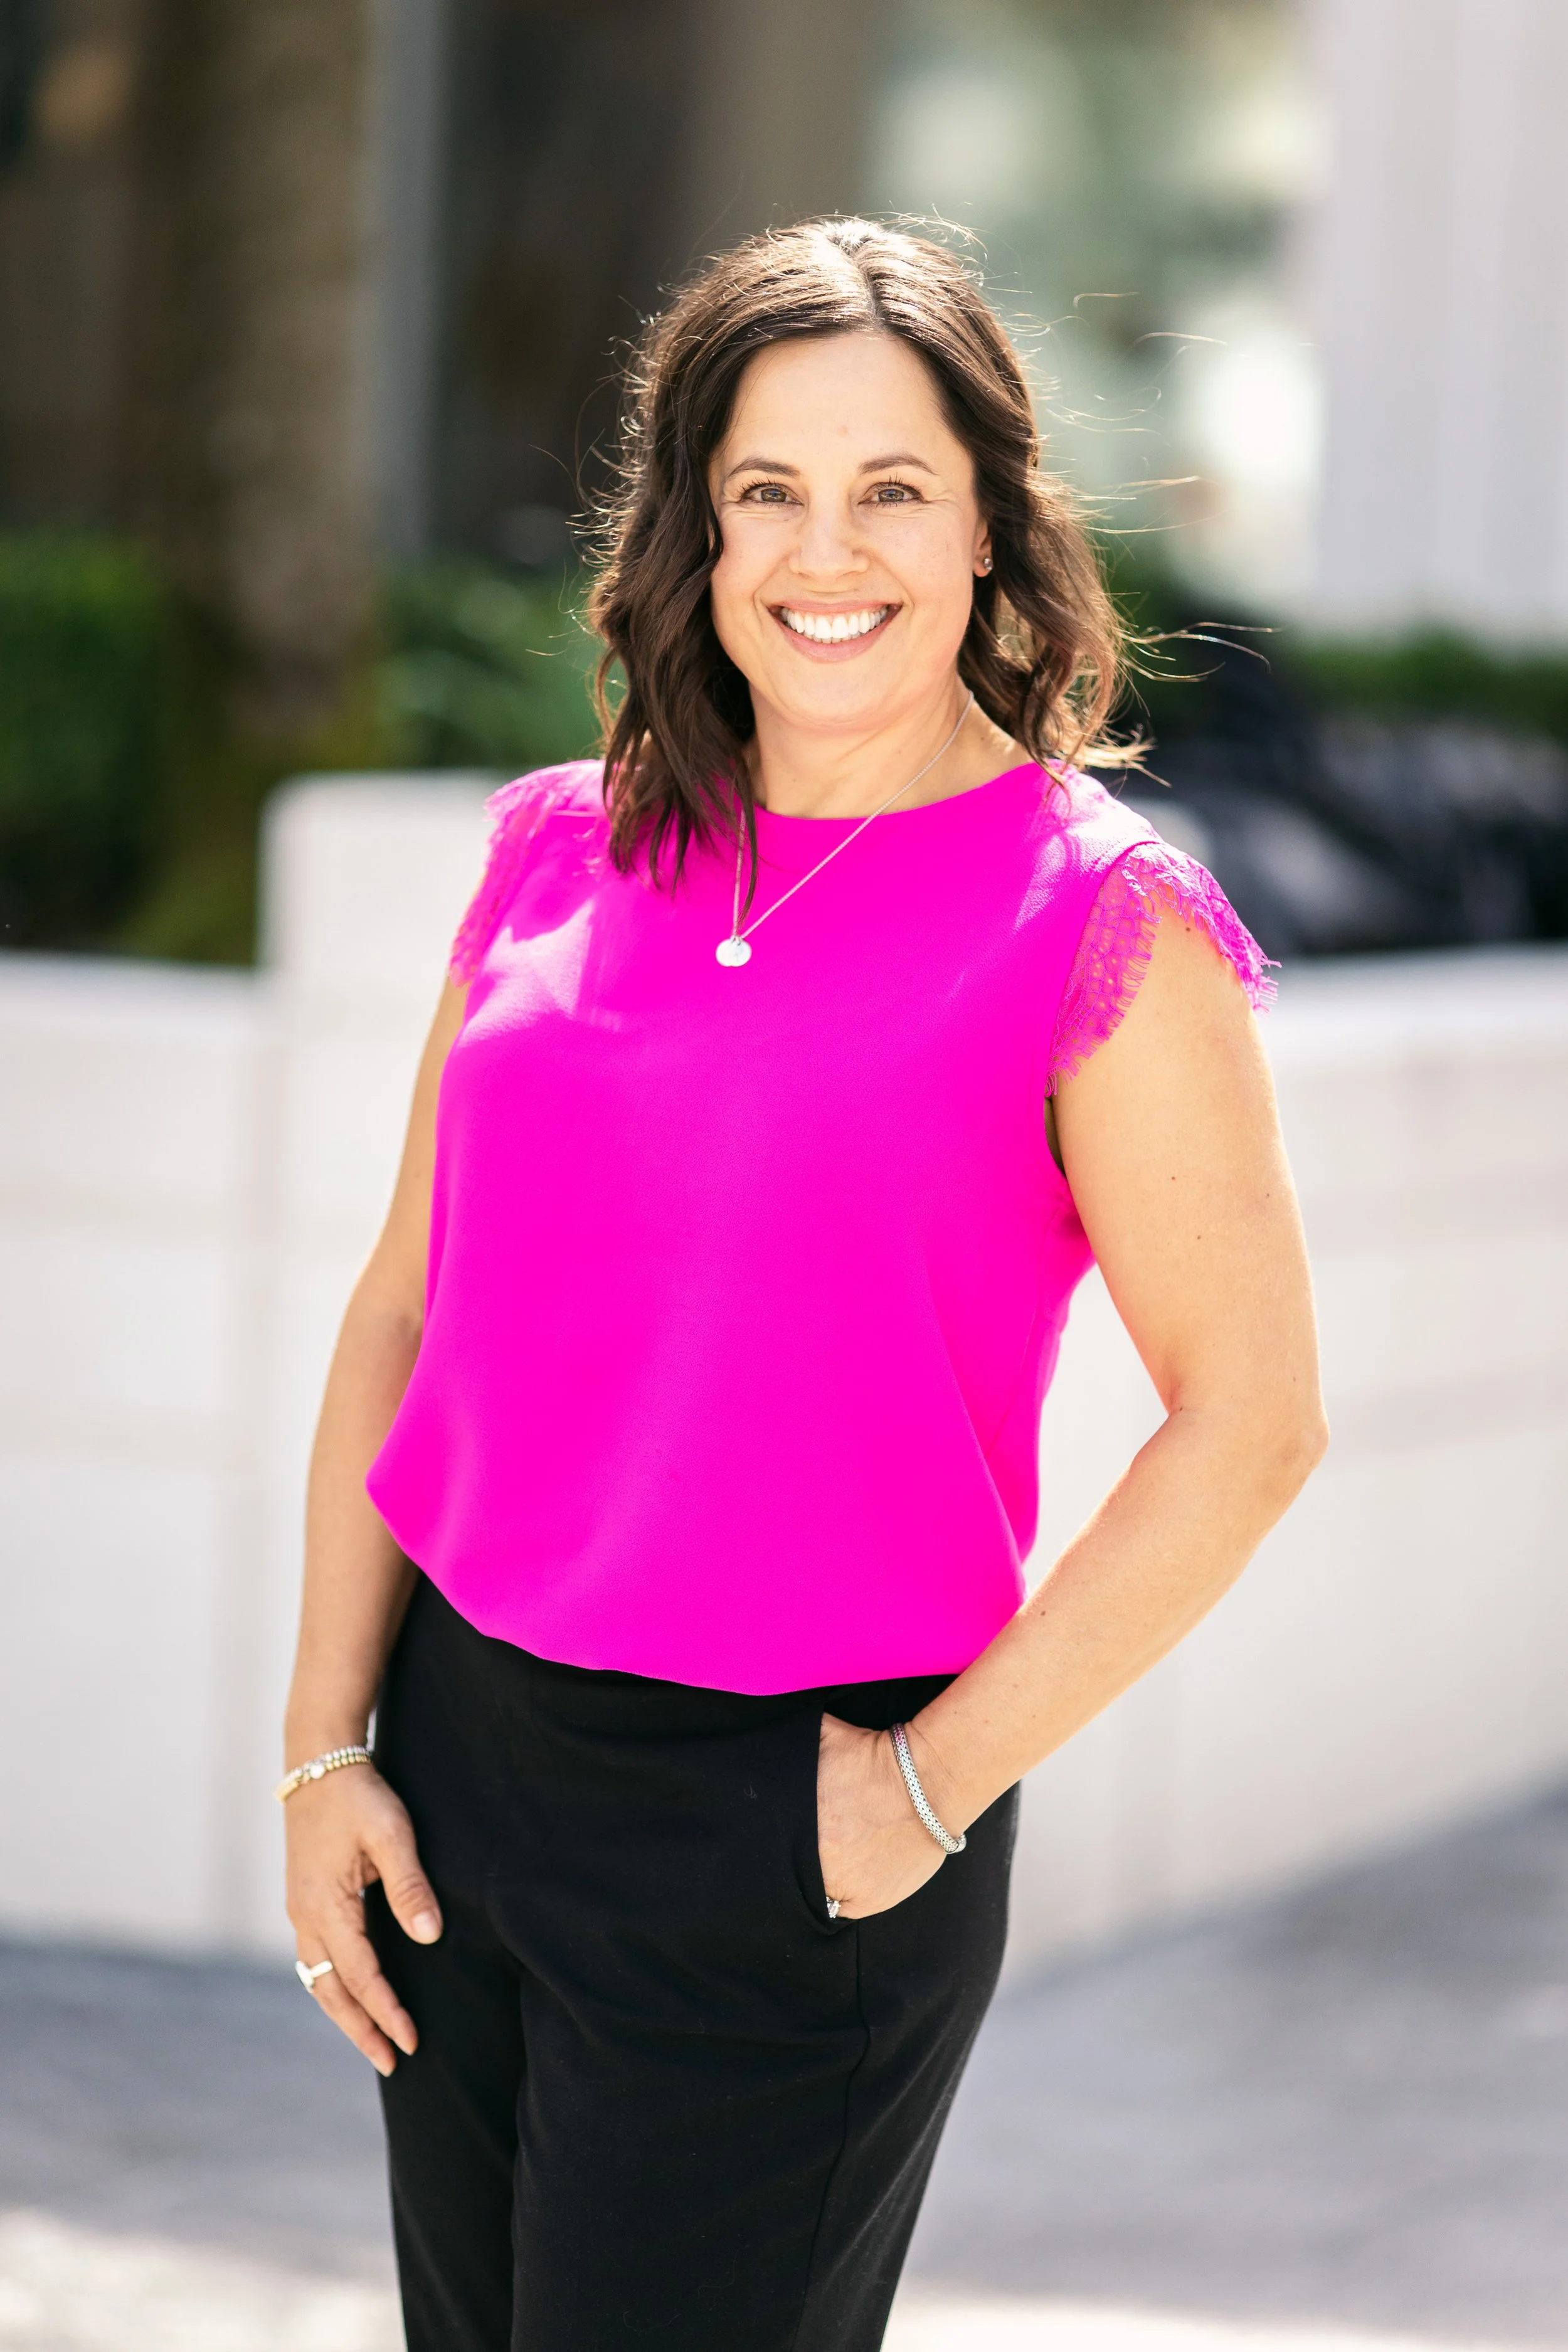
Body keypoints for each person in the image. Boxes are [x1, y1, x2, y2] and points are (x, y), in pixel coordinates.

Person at [280, 218, 1327, 2352]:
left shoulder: (1097, 922)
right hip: (462, 1776)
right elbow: (406, 1301)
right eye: (765, 489)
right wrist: (323, 1750)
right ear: (692, 527)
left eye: (890, 489)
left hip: (792, 1830)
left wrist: (923, 1790)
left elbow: (1253, 1420)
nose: (819, 549)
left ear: (986, 530)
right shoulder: (552, 849)